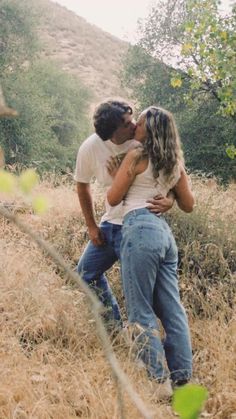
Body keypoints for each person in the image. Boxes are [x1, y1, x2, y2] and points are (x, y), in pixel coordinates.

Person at [107, 106, 194, 393]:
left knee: (140, 309)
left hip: (139, 231)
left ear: (151, 129)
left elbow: (113, 197)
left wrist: (117, 175)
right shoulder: (174, 163)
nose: (136, 127)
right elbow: (189, 205)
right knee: (172, 309)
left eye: (140, 122)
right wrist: (169, 197)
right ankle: (182, 377)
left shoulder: (136, 156)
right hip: (164, 236)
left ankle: (158, 381)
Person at [74, 99, 174, 327]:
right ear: (112, 133)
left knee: (149, 293)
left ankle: (164, 340)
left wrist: (170, 200)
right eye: (128, 123)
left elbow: (174, 171)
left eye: (133, 119)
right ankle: (115, 329)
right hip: (110, 225)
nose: (135, 125)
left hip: (139, 226)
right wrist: (91, 226)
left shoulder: (141, 141)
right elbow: (82, 185)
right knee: (85, 274)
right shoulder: (90, 148)